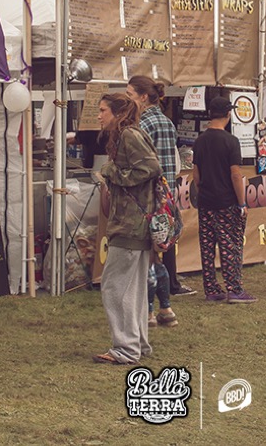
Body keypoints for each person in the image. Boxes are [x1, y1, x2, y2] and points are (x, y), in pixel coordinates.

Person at [93, 93, 162, 364]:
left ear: (118, 113)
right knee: (132, 289)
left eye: (103, 110)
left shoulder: (129, 135)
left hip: (131, 224)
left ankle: (125, 348)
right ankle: (137, 344)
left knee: (114, 286)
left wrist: (112, 173)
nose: (99, 116)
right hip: (135, 223)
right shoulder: (129, 134)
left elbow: (151, 167)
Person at [127, 76, 182, 329]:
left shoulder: (142, 124)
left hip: (147, 197)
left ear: (143, 97)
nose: (128, 99)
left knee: (148, 257)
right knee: (156, 255)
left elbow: (140, 164)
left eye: (130, 94)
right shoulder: (167, 123)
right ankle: (165, 309)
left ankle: (150, 311)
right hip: (166, 198)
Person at [192, 96, 255, 304]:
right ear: (228, 114)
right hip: (226, 200)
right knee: (230, 245)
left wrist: (203, 190)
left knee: (207, 246)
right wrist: (242, 202)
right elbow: (235, 174)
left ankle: (211, 288)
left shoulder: (200, 141)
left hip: (205, 201)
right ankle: (234, 289)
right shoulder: (231, 141)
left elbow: (196, 174)